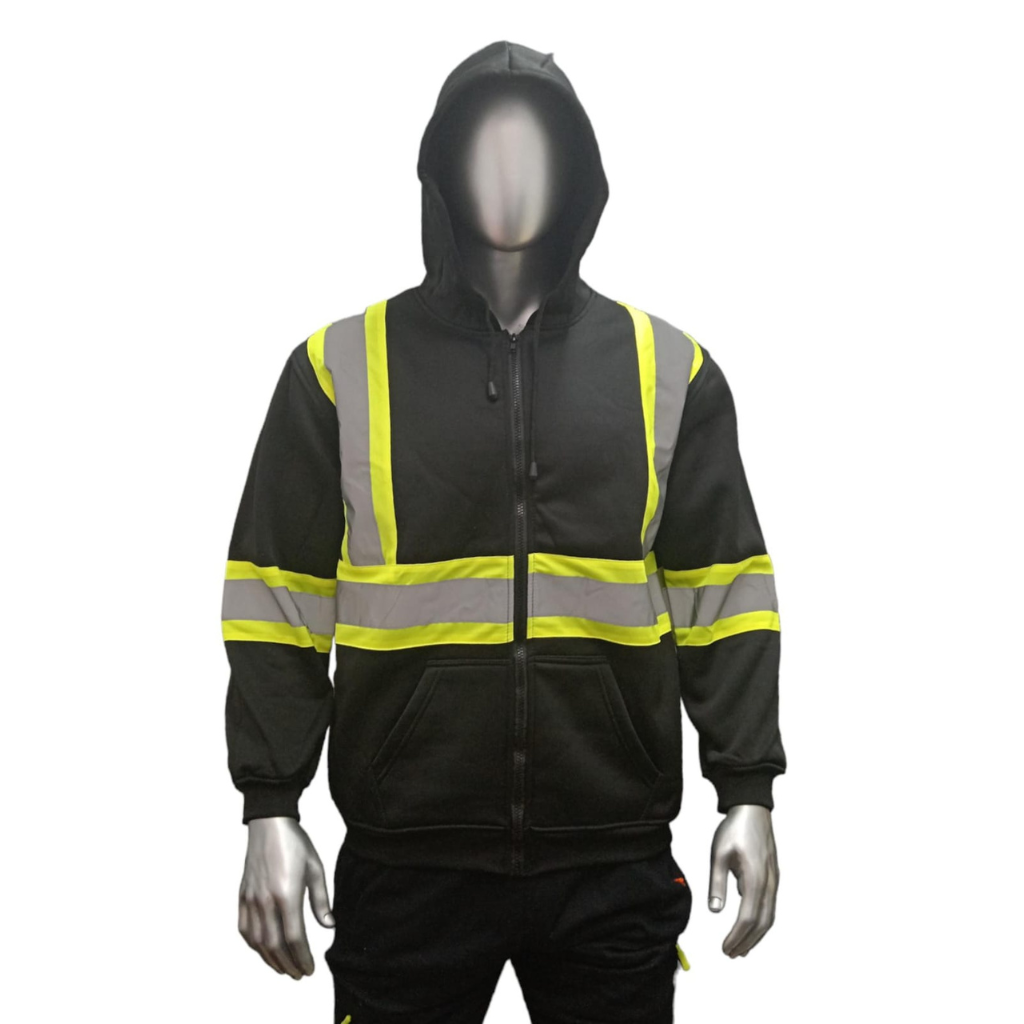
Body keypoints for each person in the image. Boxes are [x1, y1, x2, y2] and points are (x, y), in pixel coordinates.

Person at [222, 39, 786, 1024]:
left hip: (610, 864)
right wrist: (271, 803)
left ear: (579, 175)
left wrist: (748, 788)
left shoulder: (669, 370)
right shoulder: (338, 368)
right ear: (440, 171)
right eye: (484, 148)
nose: (510, 174)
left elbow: (725, 595)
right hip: (408, 866)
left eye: (537, 149)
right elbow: (276, 602)